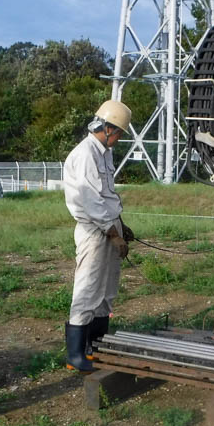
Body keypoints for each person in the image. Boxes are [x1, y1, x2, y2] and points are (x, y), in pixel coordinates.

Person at [62, 100, 134, 372]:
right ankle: (76, 354)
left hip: (109, 225)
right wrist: (114, 234)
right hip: (94, 231)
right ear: (106, 127)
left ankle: (96, 344)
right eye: (118, 134)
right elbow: (91, 201)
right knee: (88, 288)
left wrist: (120, 225)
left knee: (106, 291)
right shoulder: (85, 154)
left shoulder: (103, 152)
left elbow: (107, 196)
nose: (118, 139)